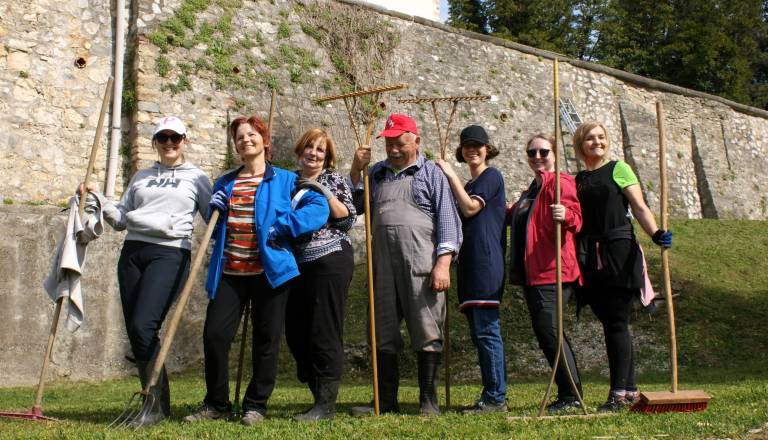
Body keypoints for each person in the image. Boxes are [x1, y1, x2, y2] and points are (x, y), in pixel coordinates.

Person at [183, 116, 329, 426]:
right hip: (230, 273)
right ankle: (216, 403)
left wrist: (288, 225)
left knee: (266, 341)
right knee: (215, 336)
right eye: (239, 137)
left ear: (265, 141)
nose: (245, 140)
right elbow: (216, 222)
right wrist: (214, 207)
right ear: (235, 146)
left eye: (252, 135)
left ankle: (256, 405)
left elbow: (319, 206)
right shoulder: (226, 182)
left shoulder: (287, 180)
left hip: (270, 273)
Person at [80, 116, 212, 426]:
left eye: (174, 138)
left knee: (142, 326)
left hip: (170, 254)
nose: (169, 143)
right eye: (162, 138)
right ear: (154, 142)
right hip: (132, 253)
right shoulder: (141, 176)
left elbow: (213, 216)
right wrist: (97, 198)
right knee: (138, 331)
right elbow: (122, 218)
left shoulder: (197, 177)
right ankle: (155, 405)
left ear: (184, 142)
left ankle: (155, 406)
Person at [348, 114, 462, 416]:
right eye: (389, 143)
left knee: (427, 328)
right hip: (382, 266)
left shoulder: (431, 174)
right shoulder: (377, 174)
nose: (394, 149)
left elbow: (449, 222)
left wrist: (443, 264)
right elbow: (352, 208)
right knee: (382, 331)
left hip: (421, 264)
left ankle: (428, 401)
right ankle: (386, 401)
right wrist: (356, 170)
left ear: (416, 141)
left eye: (400, 143)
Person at [572, 121, 672, 412]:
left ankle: (618, 393)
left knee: (617, 319)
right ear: (580, 145)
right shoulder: (576, 179)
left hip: (618, 250)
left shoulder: (619, 168)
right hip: (590, 255)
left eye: (601, 138)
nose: (597, 143)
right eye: (590, 139)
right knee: (611, 321)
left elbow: (638, 206)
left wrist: (656, 234)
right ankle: (629, 390)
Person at [508, 134, 584, 414]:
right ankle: (569, 392)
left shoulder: (560, 182)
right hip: (533, 274)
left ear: (554, 153)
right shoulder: (532, 189)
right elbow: (516, 215)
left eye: (543, 151)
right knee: (547, 333)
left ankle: (572, 395)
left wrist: (567, 215)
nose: (537, 157)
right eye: (532, 152)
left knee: (551, 332)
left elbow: (577, 218)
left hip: (553, 272)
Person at [434, 125, 508, 414]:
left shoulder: (491, 176)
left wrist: (449, 172)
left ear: (487, 149)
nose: (472, 149)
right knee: (481, 333)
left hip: (486, 264)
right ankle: (493, 392)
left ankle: (495, 397)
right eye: (467, 145)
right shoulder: (469, 186)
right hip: (470, 265)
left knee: (488, 332)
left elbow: (469, 210)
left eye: (478, 145)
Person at [285, 128, 356, 421]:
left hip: (330, 259)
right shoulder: (288, 182)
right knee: (295, 332)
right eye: (309, 147)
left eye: (320, 150)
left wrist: (322, 192)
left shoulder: (333, 179)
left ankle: (325, 406)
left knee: (324, 330)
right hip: (295, 265)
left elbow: (347, 218)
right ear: (300, 150)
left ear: (327, 157)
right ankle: (318, 397)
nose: (313, 153)